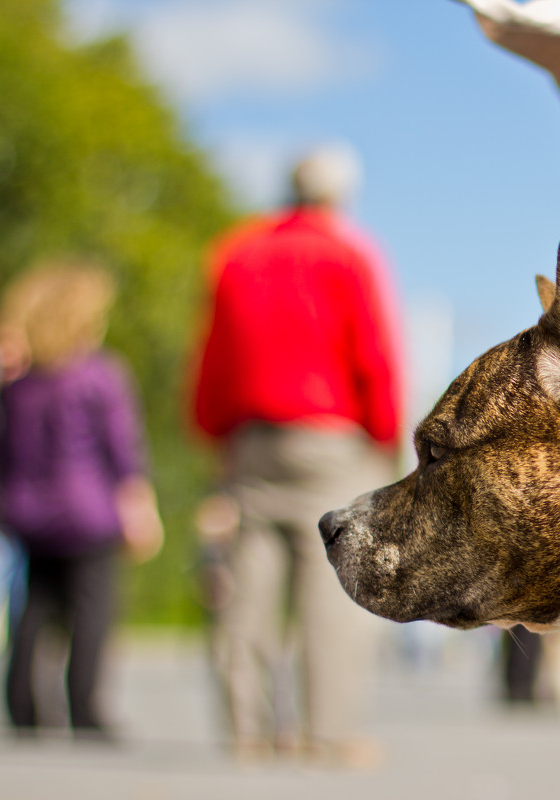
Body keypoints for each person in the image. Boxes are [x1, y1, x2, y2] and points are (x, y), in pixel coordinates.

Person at [191, 144, 403, 766]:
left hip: (252, 436)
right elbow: (372, 353)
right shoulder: (347, 255)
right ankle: (327, 730)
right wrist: (388, 436)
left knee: (249, 580)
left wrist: (212, 432)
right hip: (329, 435)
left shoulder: (237, 252)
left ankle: (249, 729)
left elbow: (212, 354)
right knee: (330, 582)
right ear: (339, 195)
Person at [0, 261, 162, 738]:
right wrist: (141, 509)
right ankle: (83, 708)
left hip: (28, 513)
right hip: (87, 514)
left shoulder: (18, 385)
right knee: (91, 613)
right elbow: (124, 452)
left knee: (32, 609)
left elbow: (0, 449)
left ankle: (22, 706)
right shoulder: (101, 375)